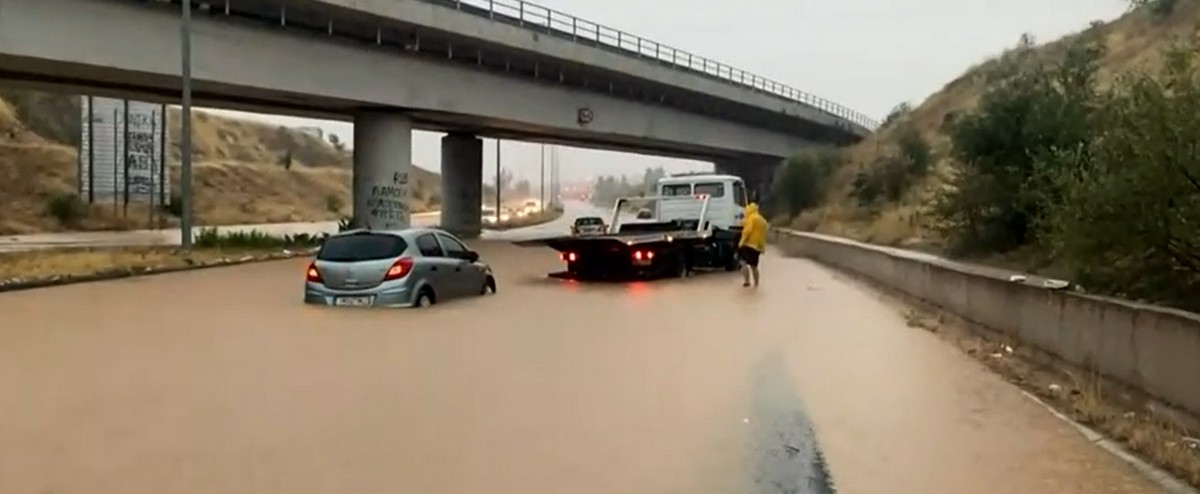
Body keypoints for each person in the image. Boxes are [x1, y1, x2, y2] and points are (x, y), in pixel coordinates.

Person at [737, 202, 767, 287]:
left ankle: (747, 281)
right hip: (757, 247)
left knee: (743, 263)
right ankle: (756, 284)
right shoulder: (762, 220)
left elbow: (747, 231)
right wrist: (762, 247)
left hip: (748, 244)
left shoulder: (751, 218)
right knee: (754, 266)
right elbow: (764, 234)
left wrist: (741, 242)